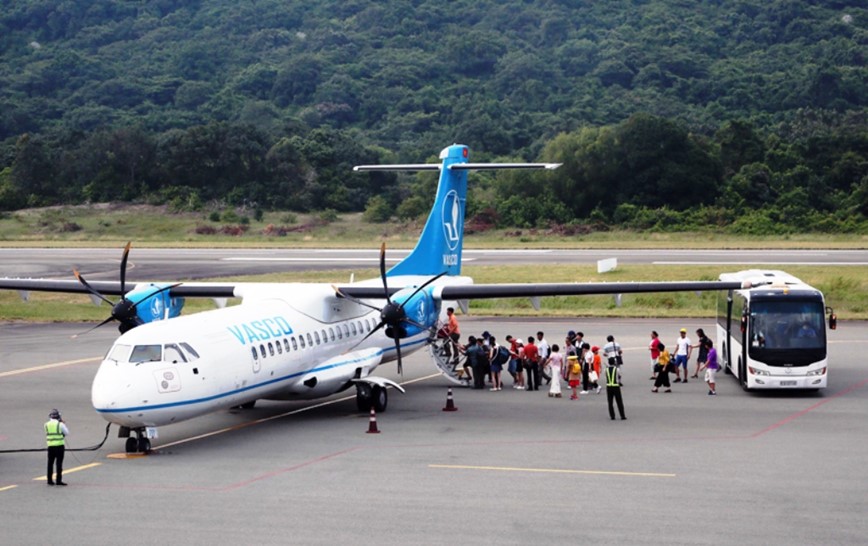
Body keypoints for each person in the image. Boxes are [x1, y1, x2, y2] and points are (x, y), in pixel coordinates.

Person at [45, 408, 69, 486]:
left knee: (50, 463)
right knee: (59, 463)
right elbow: (67, 432)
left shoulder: (46, 424)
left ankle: (49, 480)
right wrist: (63, 423)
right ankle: (58, 480)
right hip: (59, 446)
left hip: (50, 446)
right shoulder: (60, 424)